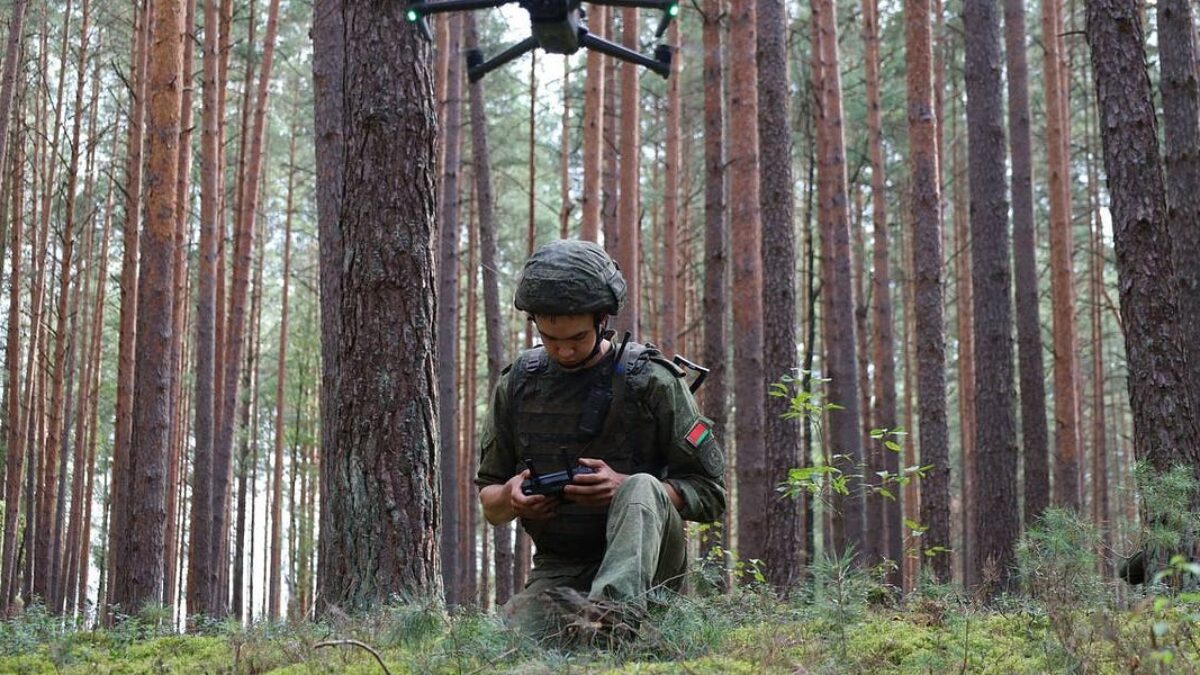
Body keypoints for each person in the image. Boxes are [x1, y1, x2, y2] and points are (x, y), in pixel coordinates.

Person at [475, 239, 726, 641]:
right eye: (550, 338)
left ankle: (613, 622)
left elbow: (712, 495)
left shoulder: (653, 381)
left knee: (641, 484)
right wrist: (513, 496)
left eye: (576, 338)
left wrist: (625, 489)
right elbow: (490, 502)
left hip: (653, 570)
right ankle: (594, 628)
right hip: (561, 571)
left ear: (602, 319)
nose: (563, 350)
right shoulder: (520, 382)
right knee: (498, 646)